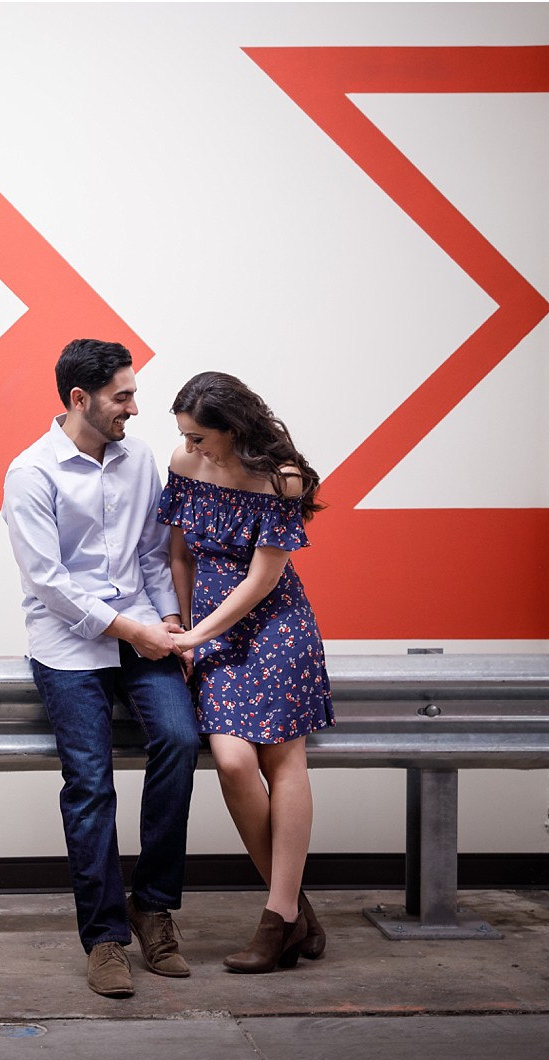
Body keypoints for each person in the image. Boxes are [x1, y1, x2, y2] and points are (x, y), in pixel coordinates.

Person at [2, 338, 201, 999]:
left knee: (178, 738)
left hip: (142, 631)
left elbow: (149, 553)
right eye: (123, 396)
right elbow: (50, 583)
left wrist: (169, 620)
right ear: (80, 399)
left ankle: (153, 906)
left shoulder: (137, 460)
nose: (134, 408)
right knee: (89, 785)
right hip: (68, 645)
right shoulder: (31, 473)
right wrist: (130, 630)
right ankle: (105, 938)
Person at [156, 370, 334, 973]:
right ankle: (296, 912)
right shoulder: (185, 463)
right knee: (232, 761)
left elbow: (263, 579)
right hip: (207, 624)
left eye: (201, 436)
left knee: (284, 762)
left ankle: (276, 915)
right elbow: (178, 552)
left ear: (232, 430)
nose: (191, 446)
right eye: (185, 435)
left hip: (274, 627)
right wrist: (180, 624)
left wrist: (196, 638)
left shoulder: (280, 477)